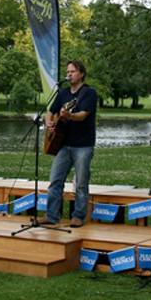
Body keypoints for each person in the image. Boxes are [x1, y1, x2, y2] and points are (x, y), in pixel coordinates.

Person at [40, 61, 98, 228]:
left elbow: (82, 115)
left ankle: (78, 216)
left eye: (73, 71)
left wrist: (69, 116)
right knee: (55, 180)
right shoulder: (63, 93)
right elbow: (50, 112)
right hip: (63, 144)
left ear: (82, 74)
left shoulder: (89, 93)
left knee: (80, 182)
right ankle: (52, 215)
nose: (69, 74)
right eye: (68, 71)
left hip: (83, 145)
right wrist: (49, 122)